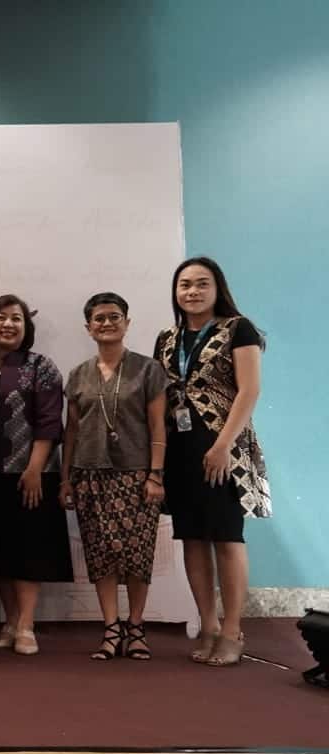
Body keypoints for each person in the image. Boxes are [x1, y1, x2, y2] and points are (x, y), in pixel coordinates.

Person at [153, 258, 268, 667]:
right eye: (185, 284)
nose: (193, 292)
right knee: (193, 538)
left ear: (218, 288)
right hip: (181, 449)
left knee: (226, 536)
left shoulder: (238, 328)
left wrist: (222, 446)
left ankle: (233, 629)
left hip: (224, 448)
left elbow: (249, 390)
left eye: (202, 284)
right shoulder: (167, 338)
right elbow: (161, 398)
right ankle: (208, 625)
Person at [61, 292, 168, 661]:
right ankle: (110, 628)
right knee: (100, 555)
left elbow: (158, 425)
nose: (107, 323)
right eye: (99, 318)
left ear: (127, 322)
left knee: (137, 555)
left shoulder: (148, 370)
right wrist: (65, 478)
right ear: (88, 327)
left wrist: (156, 475)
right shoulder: (78, 374)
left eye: (114, 316)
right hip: (89, 475)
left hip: (135, 474)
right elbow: (71, 431)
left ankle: (135, 628)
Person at [0, 295, 73, 656]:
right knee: (0, 550)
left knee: (29, 549)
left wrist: (34, 469)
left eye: (16, 318)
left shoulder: (40, 366)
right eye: (0, 317)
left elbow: (50, 422)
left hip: (32, 473)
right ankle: (10, 622)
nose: (8, 324)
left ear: (26, 327)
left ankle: (27, 625)